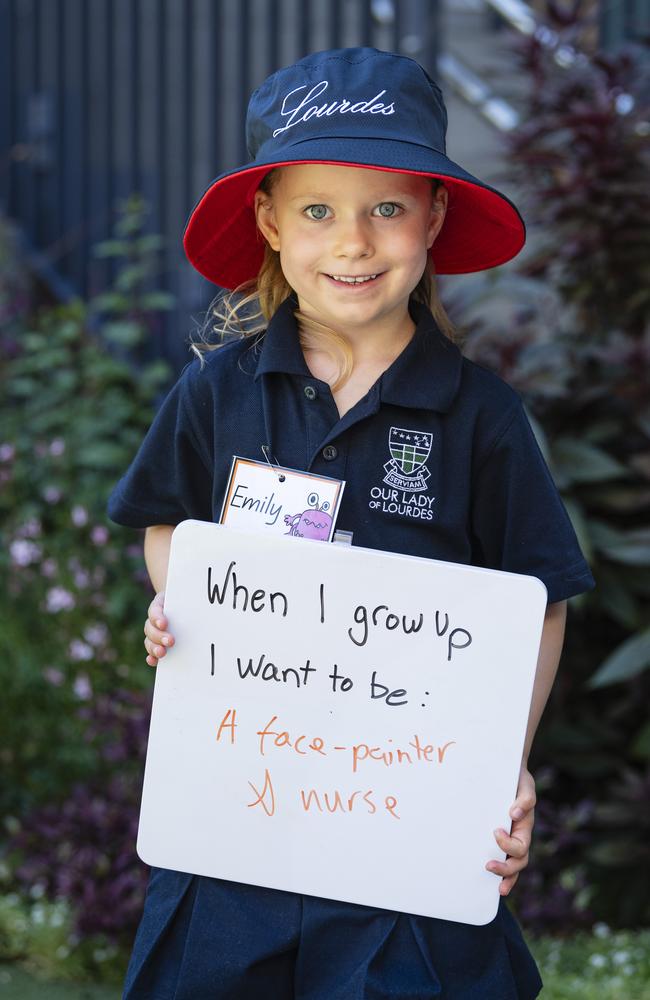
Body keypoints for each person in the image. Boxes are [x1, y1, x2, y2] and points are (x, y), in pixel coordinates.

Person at [107, 46, 595, 1000]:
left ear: (434, 216)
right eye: (319, 210)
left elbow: (537, 601)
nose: (355, 243)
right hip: (238, 839)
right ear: (270, 223)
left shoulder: (481, 417)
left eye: (387, 208)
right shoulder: (217, 391)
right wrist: (186, 603)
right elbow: (165, 522)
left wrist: (508, 762)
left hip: (398, 848)